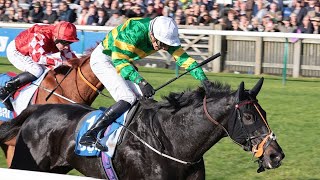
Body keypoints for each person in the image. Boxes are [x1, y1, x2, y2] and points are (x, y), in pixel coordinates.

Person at [79, 16, 208, 149]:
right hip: (104, 59)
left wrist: (204, 80)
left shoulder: (161, 33)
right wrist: (141, 82)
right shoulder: (134, 30)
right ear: (152, 34)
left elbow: (183, 58)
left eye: (166, 44)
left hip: (121, 60)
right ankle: (90, 134)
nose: (163, 47)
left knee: (147, 99)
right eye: (162, 43)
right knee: (128, 98)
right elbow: (120, 61)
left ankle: (134, 135)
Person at [0, 21, 79, 110]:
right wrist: (62, 62)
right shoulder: (41, 35)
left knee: (52, 69)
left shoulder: (60, 38)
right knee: (37, 70)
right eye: (65, 43)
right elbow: (38, 57)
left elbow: (71, 59)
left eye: (69, 43)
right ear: (56, 37)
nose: (66, 47)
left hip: (33, 52)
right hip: (18, 51)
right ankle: (5, 90)